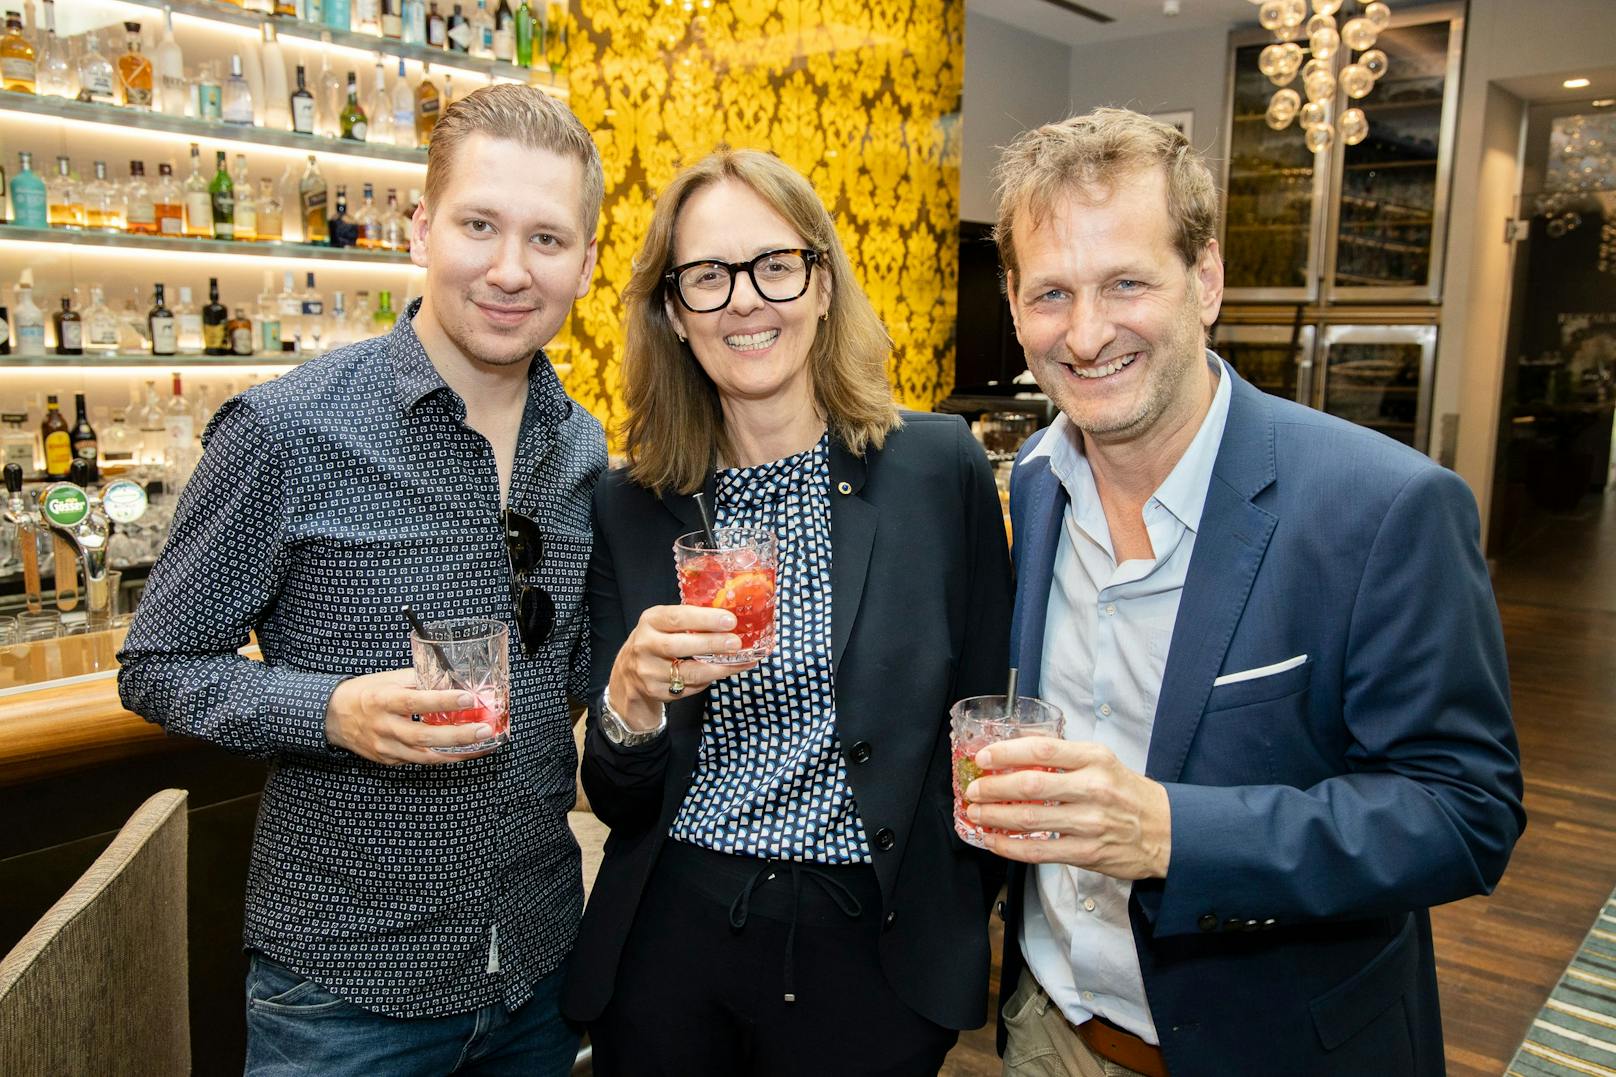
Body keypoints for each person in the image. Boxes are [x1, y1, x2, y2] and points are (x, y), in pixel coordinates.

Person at [965, 108, 1525, 1077]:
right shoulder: (1032, 484)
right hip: (1045, 1031)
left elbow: (1464, 813)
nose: (1086, 332)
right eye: (1050, 292)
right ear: (1014, 306)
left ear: (1207, 280)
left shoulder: (1382, 508)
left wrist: (1169, 834)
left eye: (1125, 283)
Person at [117, 84, 605, 1076]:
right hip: (345, 996)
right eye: (480, 225)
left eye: (547, 240)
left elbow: (572, 673)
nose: (511, 269)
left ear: (586, 264)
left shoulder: (582, 446)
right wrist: (327, 710)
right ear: (423, 227)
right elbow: (157, 662)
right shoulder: (286, 432)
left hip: (543, 969)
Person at [559, 147, 1012, 1076]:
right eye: (708, 277)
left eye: (774, 265)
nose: (745, 301)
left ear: (820, 284)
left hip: (871, 942)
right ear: (676, 315)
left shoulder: (936, 468)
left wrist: (962, 911)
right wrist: (631, 702)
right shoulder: (631, 502)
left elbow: (985, 719)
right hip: (673, 933)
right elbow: (619, 793)